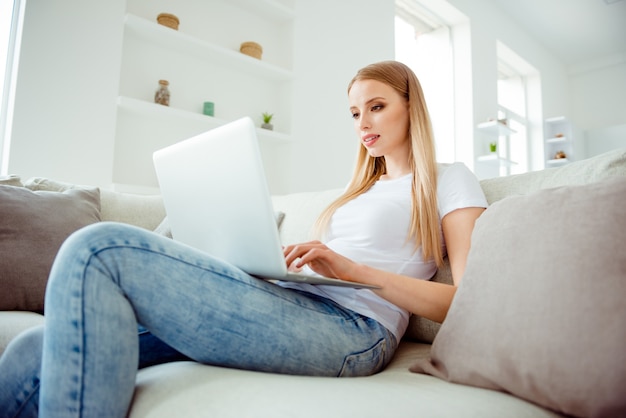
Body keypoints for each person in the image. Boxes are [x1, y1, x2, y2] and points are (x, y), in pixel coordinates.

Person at [0, 60, 487, 417]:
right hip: (296, 301)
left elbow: (463, 303)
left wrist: (353, 271)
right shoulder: (357, 190)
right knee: (32, 349)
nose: (362, 123)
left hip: (356, 331)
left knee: (99, 249)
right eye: (355, 112)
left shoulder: (450, 179)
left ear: (411, 105)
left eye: (376, 107)